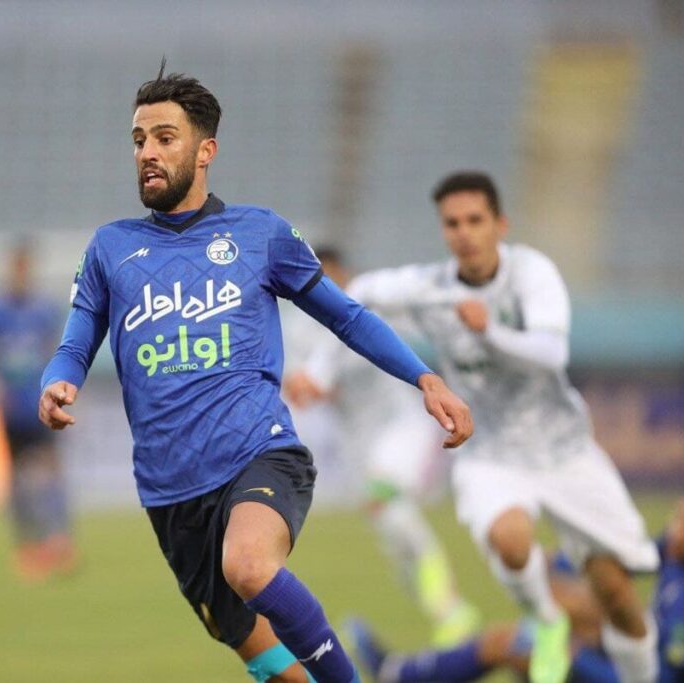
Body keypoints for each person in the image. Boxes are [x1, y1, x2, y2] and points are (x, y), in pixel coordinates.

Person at [37, 63, 472, 683]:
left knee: (248, 565)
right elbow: (77, 338)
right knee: (257, 651)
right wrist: (57, 380)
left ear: (205, 150)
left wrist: (425, 378)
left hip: (258, 455)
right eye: (138, 140)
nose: (147, 153)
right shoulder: (111, 247)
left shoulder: (259, 234)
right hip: (169, 490)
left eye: (164, 137)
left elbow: (347, 317)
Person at [305, 171, 659, 683]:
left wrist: (489, 330)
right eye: (452, 223)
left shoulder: (531, 273)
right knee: (509, 539)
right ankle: (546, 622)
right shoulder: (431, 288)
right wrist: (319, 372)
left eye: (475, 220)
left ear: (500, 225)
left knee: (616, 592)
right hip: (491, 453)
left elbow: (550, 352)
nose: (464, 233)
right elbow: (359, 293)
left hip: (565, 451)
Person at [283, 247, 480, 647]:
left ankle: (451, 611)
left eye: (332, 279)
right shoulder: (298, 329)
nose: (326, 288)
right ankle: (446, 611)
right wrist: (304, 385)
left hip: (401, 428)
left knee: (384, 498)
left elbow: (414, 325)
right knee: (395, 533)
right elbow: (297, 384)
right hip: (357, 445)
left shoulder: (366, 310)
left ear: (347, 275)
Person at [346, 497, 684, 683]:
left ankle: (395, 673)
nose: (674, 524)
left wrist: (576, 655)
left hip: (634, 669)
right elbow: (625, 558)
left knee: (506, 642)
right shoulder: (673, 550)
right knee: (560, 599)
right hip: (636, 645)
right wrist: (549, 561)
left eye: (681, 520)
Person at [0, 243, 76, 582]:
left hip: (39, 404)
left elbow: (56, 350)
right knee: (17, 479)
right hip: (11, 407)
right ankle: (29, 545)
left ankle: (58, 540)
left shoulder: (43, 309)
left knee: (50, 472)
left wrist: (62, 389)